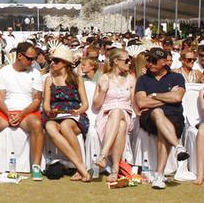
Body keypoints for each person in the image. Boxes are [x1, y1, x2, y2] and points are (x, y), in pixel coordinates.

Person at [0, 42, 45, 181]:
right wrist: (9, 114)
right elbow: (0, 99)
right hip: (6, 112)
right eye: (30, 58)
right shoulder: (4, 72)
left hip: (27, 113)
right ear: (20, 56)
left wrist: (21, 114)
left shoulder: (36, 73)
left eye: (34, 58)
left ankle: (36, 166)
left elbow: (37, 100)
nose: (32, 61)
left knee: (37, 124)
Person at [134, 47, 189, 189]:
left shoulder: (177, 77)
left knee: (162, 130)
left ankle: (159, 176)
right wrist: (168, 96)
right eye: (148, 60)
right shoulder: (143, 79)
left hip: (174, 116)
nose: (150, 63)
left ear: (164, 62)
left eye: (153, 60)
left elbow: (177, 97)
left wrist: (153, 96)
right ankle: (178, 147)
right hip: (149, 117)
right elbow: (141, 102)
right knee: (158, 112)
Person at [42, 46, 91, 182]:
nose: (52, 63)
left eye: (56, 61)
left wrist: (77, 111)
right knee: (50, 127)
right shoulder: (49, 80)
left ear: (65, 63)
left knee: (65, 126)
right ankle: (81, 167)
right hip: (55, 115)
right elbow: (46, 104)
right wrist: (49, 111)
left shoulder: (77, 79)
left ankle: (79, 167)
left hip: (74, 115)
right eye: (51, 60)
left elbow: (85, 104)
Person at [92, 47, 135, 182]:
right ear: (116, 61)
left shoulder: (131, 79)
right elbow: (96, 105)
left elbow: (133, 103)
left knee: (119, 113)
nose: (129, 63)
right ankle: (115, 171)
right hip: (106, 116)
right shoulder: (104, 78)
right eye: (127, 60)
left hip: (125, 113)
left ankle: (103, 155)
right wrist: (103, 91)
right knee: (120, 126)